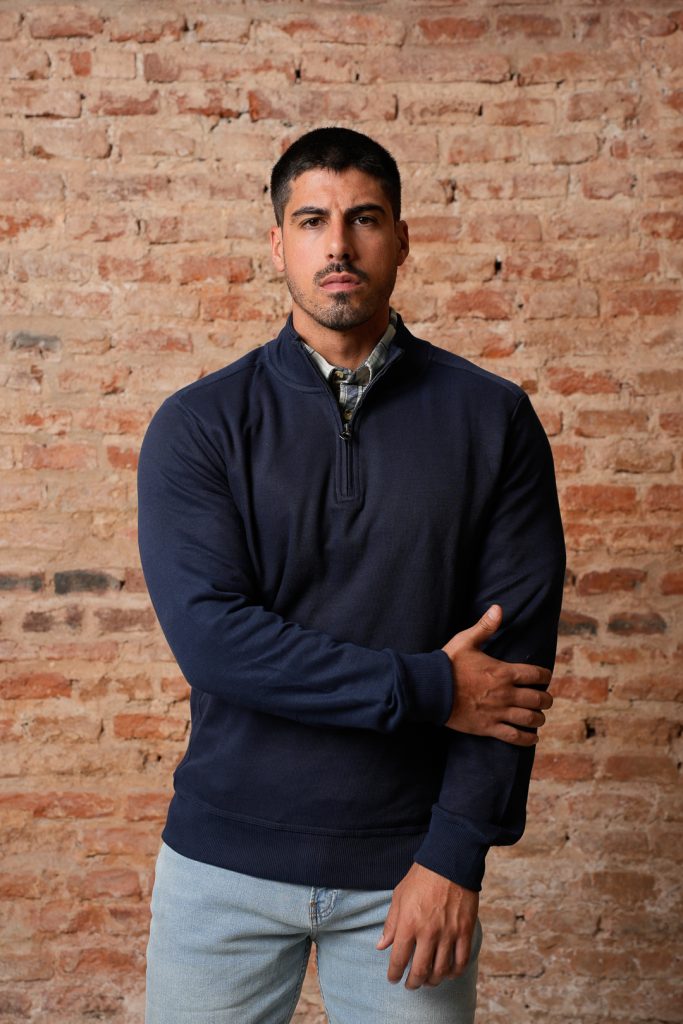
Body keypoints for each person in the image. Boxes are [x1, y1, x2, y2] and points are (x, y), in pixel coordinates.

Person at [137, 126, 565, 1024]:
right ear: (277, 244)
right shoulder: (199, 424)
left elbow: (512, 667)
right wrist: (430, 687)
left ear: (401, 239)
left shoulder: (492, 419)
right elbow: (216, 643)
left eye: (364, 219)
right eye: (312, 221)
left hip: (407, 873)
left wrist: (454, 855)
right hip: (222, 869)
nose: (338, 245)